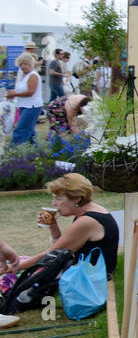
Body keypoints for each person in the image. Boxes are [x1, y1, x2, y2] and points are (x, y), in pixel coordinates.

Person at [0, 173, 118, 319]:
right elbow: (61, 250)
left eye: (58, 198)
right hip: (90, 271)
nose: (54, 204)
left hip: (86, 278)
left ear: (77, 198)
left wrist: (13, 268)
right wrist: (53, 225)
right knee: (24, 260)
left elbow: (50, 256)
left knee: (10, 277)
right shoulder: (91, 211)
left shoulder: (87, 221)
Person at [5, 53, 43, 146]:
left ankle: (13, 150)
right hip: (23, 105)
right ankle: (36, 150)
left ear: (31, 64)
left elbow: (31, 92)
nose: (23, 66)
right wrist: (13, 94)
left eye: (25, 64)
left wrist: (15, 94)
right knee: (29, 130)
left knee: (21, 128)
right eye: (21, 64)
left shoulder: (33, 75)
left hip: (32, 106)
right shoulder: (23, 76)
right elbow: (21, 90)